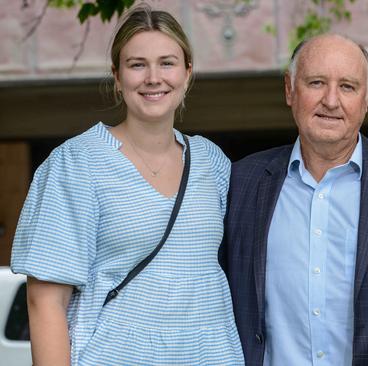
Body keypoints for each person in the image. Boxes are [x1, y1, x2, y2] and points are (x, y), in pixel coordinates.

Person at [11, 5, 244, 366]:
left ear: (187, 73)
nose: (154, 77)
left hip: (211, 356)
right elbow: (45, 302)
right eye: (137, 64)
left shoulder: (211, 161)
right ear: (117, 77)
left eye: (167, 63)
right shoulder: (76, 164)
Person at [220, 33, 368, 365]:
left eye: (347, 86)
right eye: (316, 82)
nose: (331, 101)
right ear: (290, 88)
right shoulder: (242, 181)